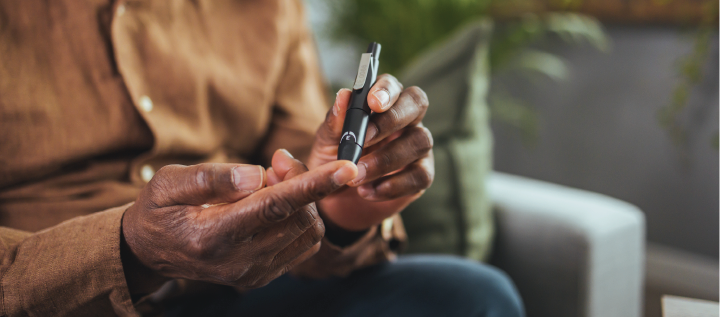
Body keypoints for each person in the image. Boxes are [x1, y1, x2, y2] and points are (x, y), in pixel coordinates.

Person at [0, 0, 524, 316]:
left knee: (470, 299)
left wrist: (341, 210)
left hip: (231, 297)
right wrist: (132, 251)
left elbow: (302, 165)